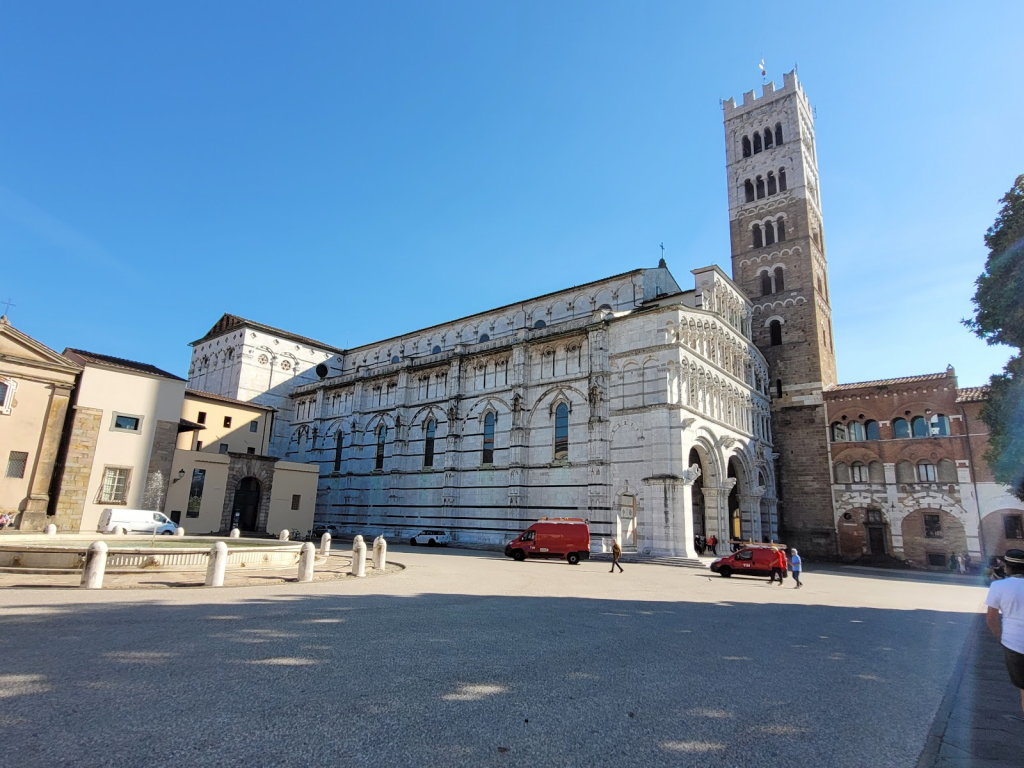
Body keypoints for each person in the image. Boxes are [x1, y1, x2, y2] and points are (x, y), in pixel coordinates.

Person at [985, 548, 1024, 719]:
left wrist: (1001, 638)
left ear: (1007, 567)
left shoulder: (998, 586)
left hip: (1014, 643)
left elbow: (991, 619)